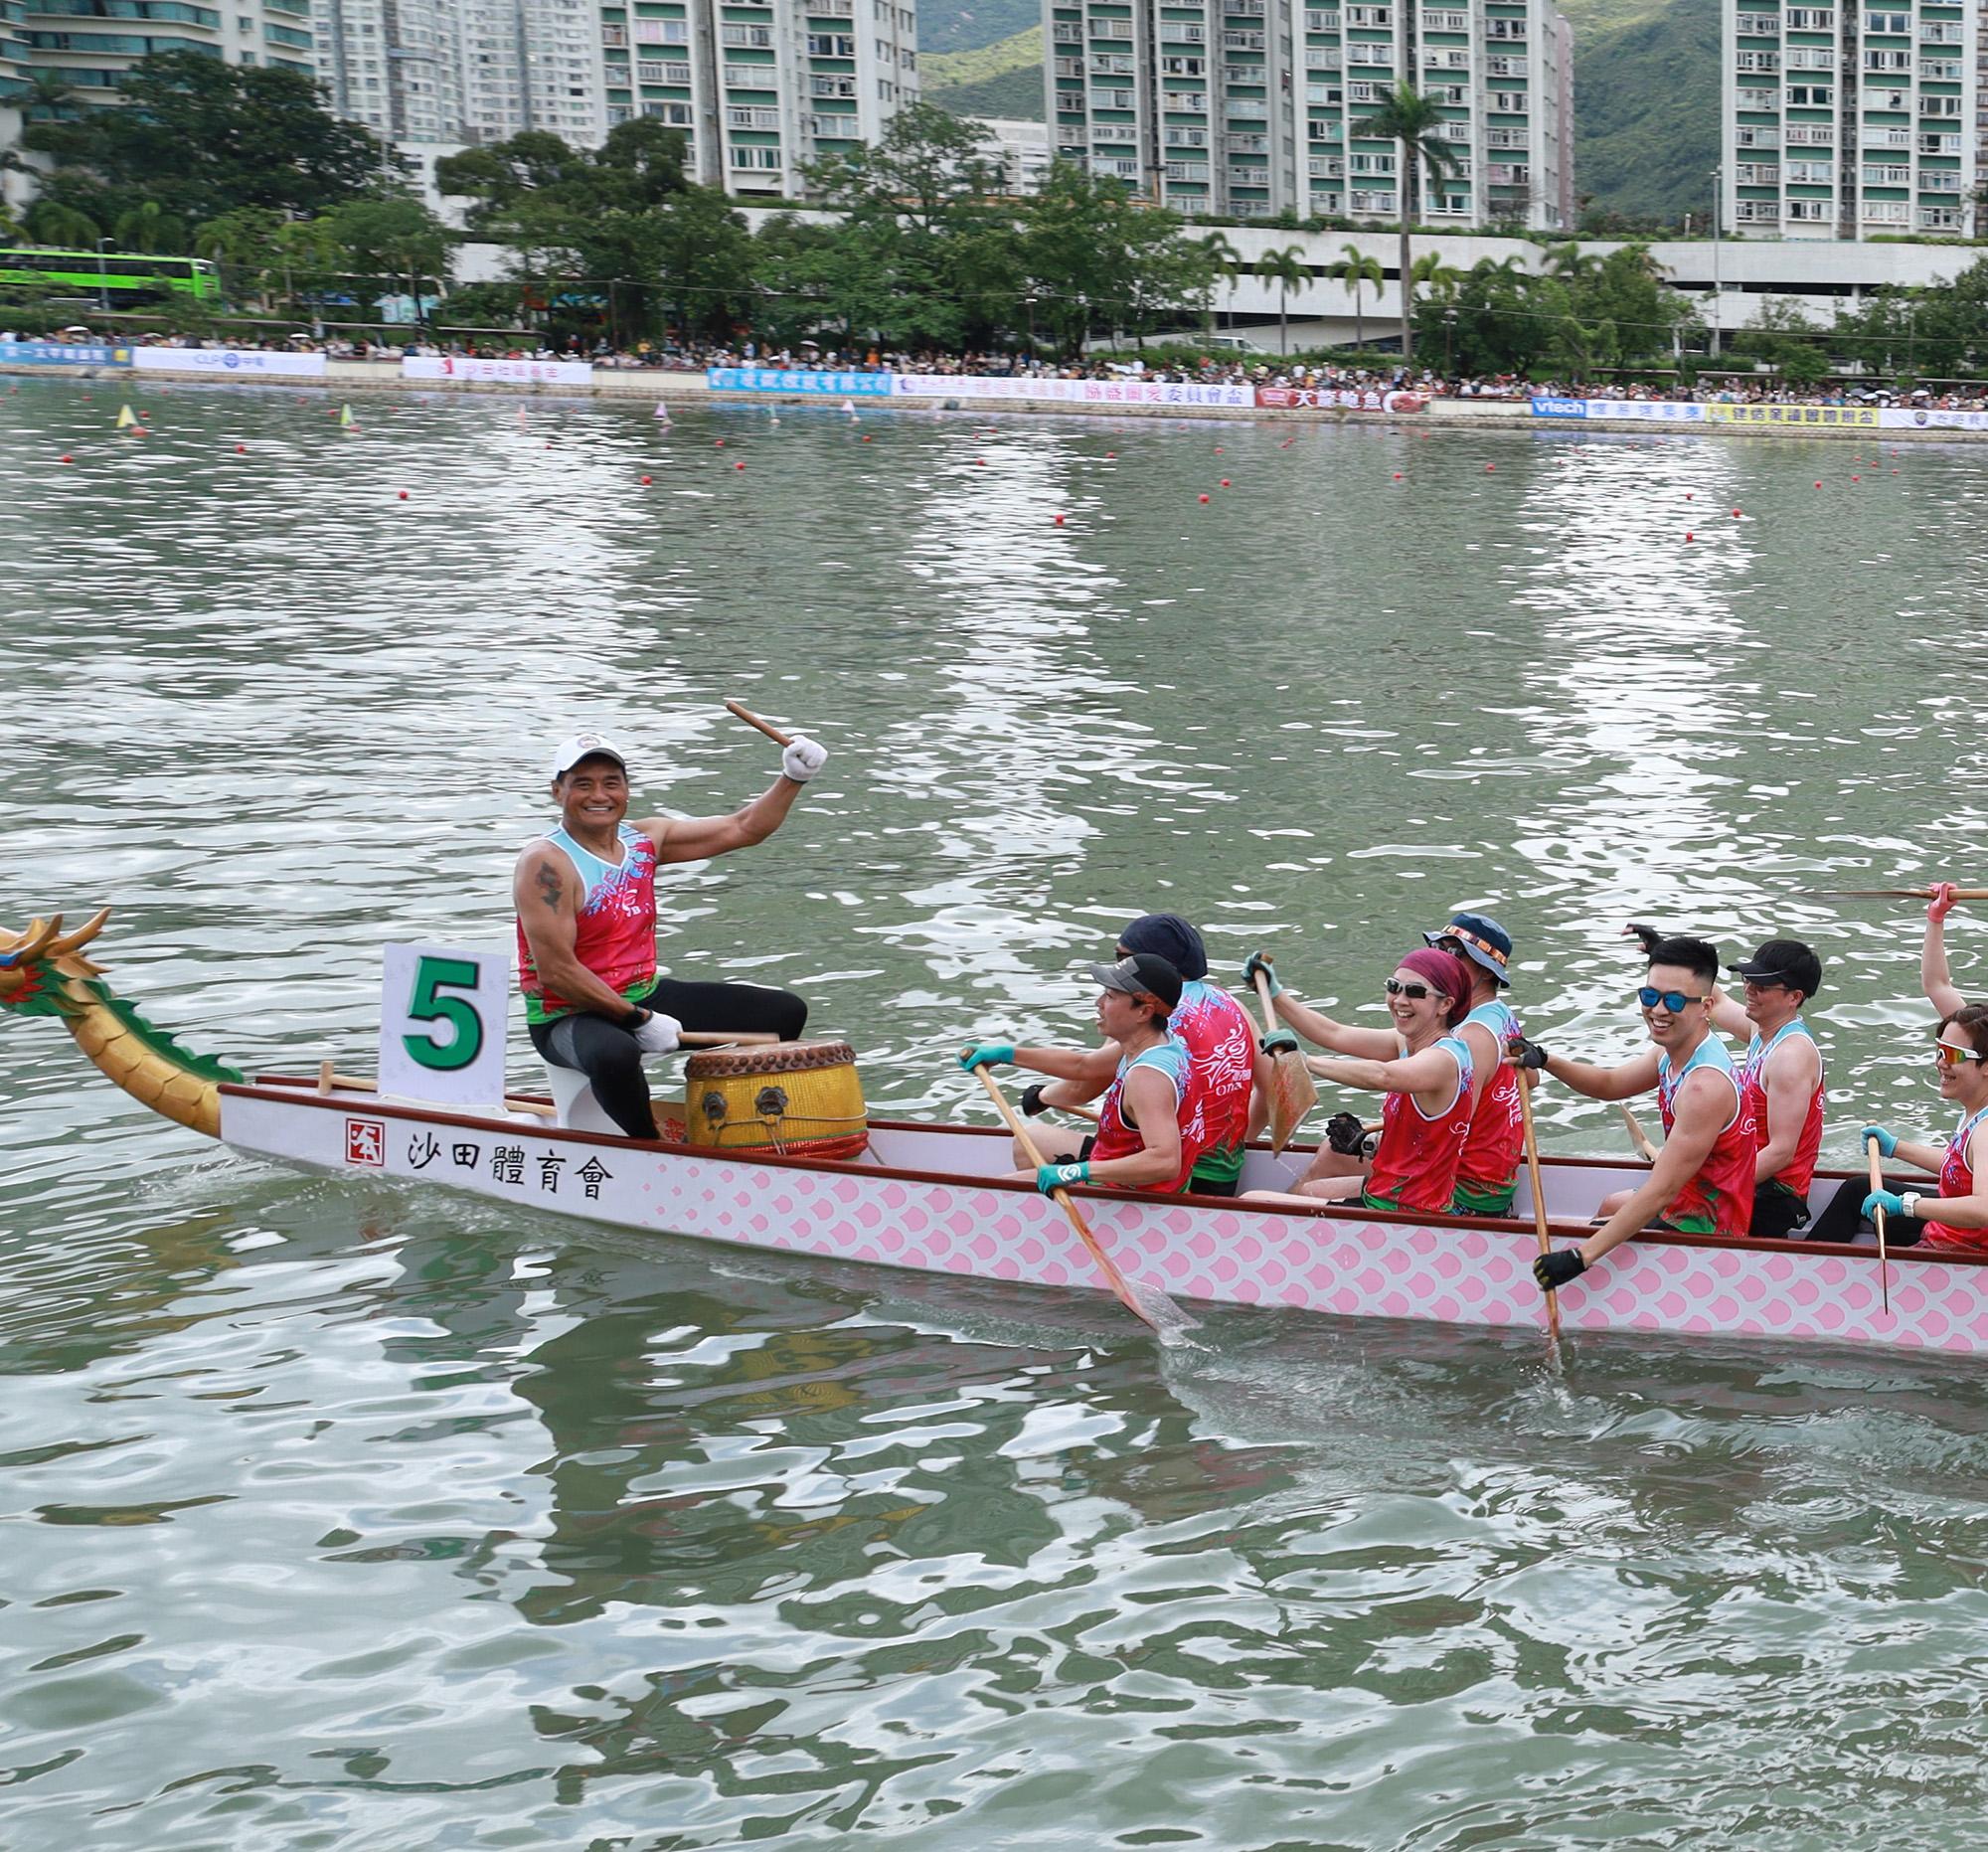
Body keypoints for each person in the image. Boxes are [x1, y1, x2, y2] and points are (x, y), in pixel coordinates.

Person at [514, 728, 827, 1141]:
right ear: (557, 791)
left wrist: (792, 779)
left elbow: (744, 828)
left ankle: (731, 1121)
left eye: (611, 783)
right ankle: (650, 1146)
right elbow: (558, 973)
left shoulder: (645, 840)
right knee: (615, 1052)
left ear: (626, 790)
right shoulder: (546, 864)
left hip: (642, 993)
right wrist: (639, 1020)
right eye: (582, 784)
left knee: (784, 1013)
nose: (599, 795)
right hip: (567, 1016)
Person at [958, 913, 1267, 1196]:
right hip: (1219, 1173)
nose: (1099, 1002)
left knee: (988, 1196)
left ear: (1146, 1005)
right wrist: (1234, 1147)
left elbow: (1085, 1077)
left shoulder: (1151, 1058)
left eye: (1121, 964)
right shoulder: (1229, 1009)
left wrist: (1073, 1164)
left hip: (1157, 1187)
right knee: (1033, 1142)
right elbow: (1280, 1093)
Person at [1525, 935, 1757, 1291]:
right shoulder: (1671, 1054)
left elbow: (1661, 1190)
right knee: (1610, 1203)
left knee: (1600, 1227)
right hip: (1683, 1204)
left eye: (1675, 1000)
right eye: (1650, 997)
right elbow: (1609, 1083)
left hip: (1706, 1230)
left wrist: (1579, 1258)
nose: (1658, 1011)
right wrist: (1545, 1059)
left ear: (1707, 1006)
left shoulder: (1704, 1087)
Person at [1244, 947, 1478, 1213]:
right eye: (1394, 987)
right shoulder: (1408, 1041)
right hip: (1391, 1191)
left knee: (1251, 1201)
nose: (1399, 1000)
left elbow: (1383, 1075)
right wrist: (1276, 995)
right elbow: (1333, 1033)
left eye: (1414, 992)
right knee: (1305, 1189)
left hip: (1404, 1210)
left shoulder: (1444, 1060)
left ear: (1446, 1004)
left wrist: (1304, 1061)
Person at [1632, 925, 1828, 1241]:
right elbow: (1714, 1000)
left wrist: (1703, 1185)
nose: (1749, 989)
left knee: (1622, 1209)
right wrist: (1664, 954)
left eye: (1762, 985)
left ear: (1794, 997)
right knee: (1617, 1205)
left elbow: (1781, 1152)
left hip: (1774, 1195)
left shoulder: (1791, 1056)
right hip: (1744, 1180)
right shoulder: (1762, 1031)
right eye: (1748, 979)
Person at [987, 954, 1202, 1197]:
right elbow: (1082, 1066)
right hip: (1132, 1181)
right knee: (1024, 1148)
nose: (1098, 1003)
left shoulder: (1146, 1077)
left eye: (1110, 996)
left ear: (1144, 1012)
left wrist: (1078, 1172)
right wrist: (1005, 1054)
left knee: (991, 1195)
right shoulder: (1160, 1042)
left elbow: (1165, 1162)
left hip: (1132, 1199)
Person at [1808, 1005, 1988, 1251]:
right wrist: (1894, 1147)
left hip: (1961, 1250)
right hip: (1945, 1232)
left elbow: (1983, 1208)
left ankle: (1810, 1271)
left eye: (1954, 1055)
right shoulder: (1975, 1112)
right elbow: (1960, 1166)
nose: (1941, 1063)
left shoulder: (1985, 1130)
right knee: (1859, 1189)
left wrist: (1906, 1205)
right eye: (1940, 1051)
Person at [1425, 912, 1527, 1215]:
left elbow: (1446, 1131)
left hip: (1459, 1193)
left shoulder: (1472, 1035)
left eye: (1454, 952)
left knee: (1318, 1181)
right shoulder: (1500, 1016)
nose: (1442, 959)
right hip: (1489, 1182)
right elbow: (1530, 1079)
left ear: (1485, 971)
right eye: (1439, 949)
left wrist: (1374, 1142)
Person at [1921, 881, 1973, 1016]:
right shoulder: (1978, 1028)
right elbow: (1936, 986)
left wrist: (1936, 917)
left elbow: (1937, 986)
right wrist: (1936, 915)